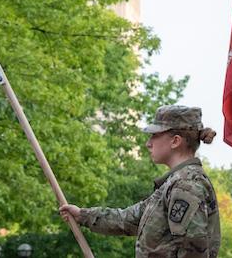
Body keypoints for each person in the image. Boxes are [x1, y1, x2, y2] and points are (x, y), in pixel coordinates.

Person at [59, 105, 221, 257]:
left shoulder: (186, 185)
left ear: (175, 141)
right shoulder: (173, 183)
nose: (148, 143)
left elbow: (193, 250)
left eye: (155, 136)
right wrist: (83, 215)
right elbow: (129, 219)